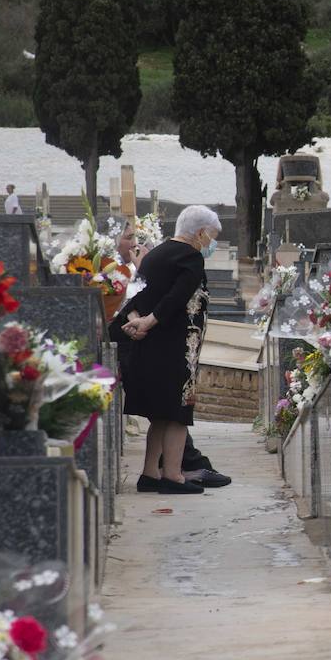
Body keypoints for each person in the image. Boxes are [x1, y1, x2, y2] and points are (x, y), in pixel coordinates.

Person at [112, 205, 220, 494]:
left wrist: (136, 322)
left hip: (150, 346)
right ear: (199, 232)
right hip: (175, 346)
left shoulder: (156, 254)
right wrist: (148, 321)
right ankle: (173, 475)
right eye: (211, 236)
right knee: (177, 412)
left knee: (159, 414)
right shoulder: (191, 256)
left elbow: (135, 294)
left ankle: (149, 473)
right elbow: (176, 297)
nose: (211, 243)